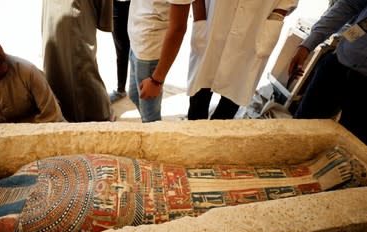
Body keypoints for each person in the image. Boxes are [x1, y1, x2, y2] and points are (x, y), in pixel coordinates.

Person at [0, 146, 366, 232]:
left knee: (228, 173)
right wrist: (93, 186)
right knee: (235, 195)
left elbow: (76, 165)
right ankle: (318, 182)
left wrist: (101, 177)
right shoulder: (3, 225)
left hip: (147, 178)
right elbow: (59, 220)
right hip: (151, 207)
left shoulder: (24, 171)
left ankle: (310, 170)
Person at [139, 0, 298, 120]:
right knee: (199, 94)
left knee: (233, 96)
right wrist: (199, 18)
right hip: (212, 22)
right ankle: (194, 138)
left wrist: (277, 16)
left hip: (256, 28)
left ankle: (215, 141)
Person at [289, 0, 367, 145]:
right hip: (339, 63)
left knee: (353, 150)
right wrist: (307, 45)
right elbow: (350, 4)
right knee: (299, 134)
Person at [42, 0, 114, 122]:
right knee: (80, 65)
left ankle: (61, 114)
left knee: (58, 63)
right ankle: (97, 116)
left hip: (59, 18)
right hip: (74, 19)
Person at [108, 0, 131, 103]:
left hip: (136, 6)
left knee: (140, 48)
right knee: (121, 51)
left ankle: (140, 86)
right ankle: (121, 90)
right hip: (115, 5)